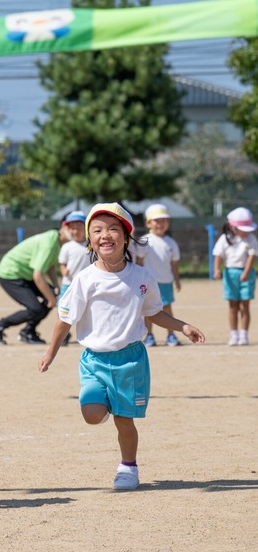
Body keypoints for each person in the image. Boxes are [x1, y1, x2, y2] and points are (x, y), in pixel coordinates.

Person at [38, 203, 205, 491]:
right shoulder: (85, 279)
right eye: (98, 230)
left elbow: (154, 312)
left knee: (124, 421)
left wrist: (182, 326)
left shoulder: (141, 277)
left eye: (114, 229)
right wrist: (50, 353)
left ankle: (128, 467)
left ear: (126, 238)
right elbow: (64, 319)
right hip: (94, 361)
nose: (106, 235)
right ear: (90, 240)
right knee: (91, 415)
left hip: (131, 362)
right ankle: (104, 403)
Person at [0, 219, 75, 345]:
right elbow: (38, 275)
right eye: (73, 227)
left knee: (53, 295)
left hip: (26, 275)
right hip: (10, 274)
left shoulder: (58, 242)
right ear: (64, 227)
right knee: (35, 308)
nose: (77, 231)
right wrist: (52, 299)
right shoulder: (49, 243)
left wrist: (55, 286)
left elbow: (50, 266)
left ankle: (28, 332)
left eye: (81, 228)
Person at [135, 203, 183, 346]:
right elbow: (139, 261)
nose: (161, 224)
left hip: (166, 281)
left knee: (167, 308)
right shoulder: (144, 241)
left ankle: (171, 335)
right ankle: (149, 335)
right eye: (157, 220)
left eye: (164, 220)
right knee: (149, 310)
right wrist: (137, 280)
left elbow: (174, 264)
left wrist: (177, 280)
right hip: (149, 283)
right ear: (148, 223)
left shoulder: (171, 243)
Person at [212, 206, 258, 346]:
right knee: (233, 306)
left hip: (246, 274)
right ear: (233, 227)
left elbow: (251, 257)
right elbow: (218, 255)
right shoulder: (225, 239)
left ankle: (244, 334)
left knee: (245, 305)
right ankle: (234, 334)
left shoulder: (251, 239)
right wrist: (216, 270)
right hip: (230, 273)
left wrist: (245, 272)